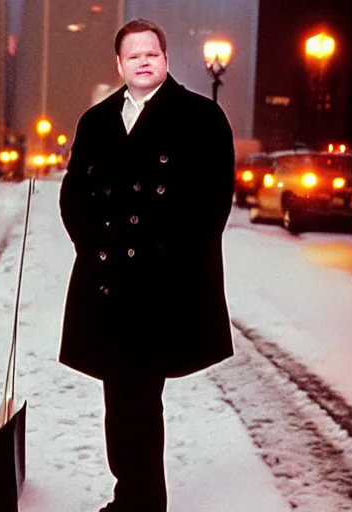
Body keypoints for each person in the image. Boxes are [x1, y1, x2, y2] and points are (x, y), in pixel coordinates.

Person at [58, 18, 235, 512]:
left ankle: (139, 501)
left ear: (165, 58)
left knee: (138, 393)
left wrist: (174, 262)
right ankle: (134, 496)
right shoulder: (95, 120)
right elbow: (74, 194)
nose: (142, 60)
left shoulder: (201, 117)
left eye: (151, 53)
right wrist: (93, 248)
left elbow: (213, 202)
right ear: (119, 63)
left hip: (164, 284)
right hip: (108, 280)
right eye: (132, 54)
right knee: (122, 396)